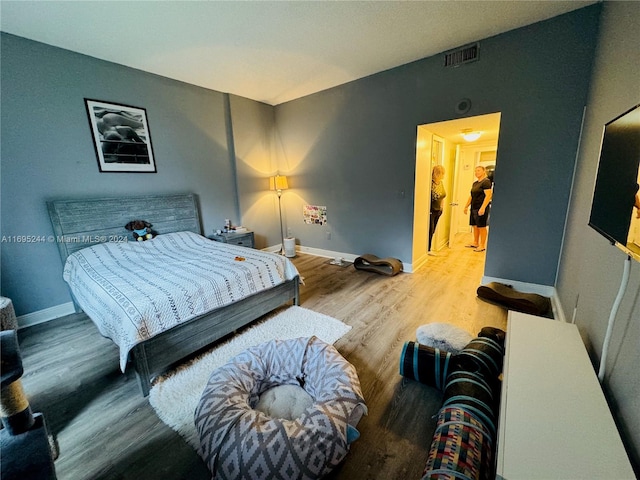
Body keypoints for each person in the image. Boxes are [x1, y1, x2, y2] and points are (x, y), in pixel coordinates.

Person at [463, 165, 493, 252]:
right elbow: (471, 196)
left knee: (481, 227)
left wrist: (483, 207)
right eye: (475, 171)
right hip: (474, 207)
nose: (476, 172)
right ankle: (475, 242)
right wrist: (466, 206)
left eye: (479, 170)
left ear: (484, 171)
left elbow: (488, 195)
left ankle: (482, 245)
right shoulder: (475, 183)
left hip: (481, 208)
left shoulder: (486, 182)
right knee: (475, 226)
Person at [429, 165, 446, 254]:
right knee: (430, 230)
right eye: (442, 173)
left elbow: (443, 196)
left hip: (438, 210)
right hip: (431, 210)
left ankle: (429, 248)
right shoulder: (430, 183)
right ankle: (427, 249)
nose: (443, 175)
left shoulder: (441, 183)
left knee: (433, 230)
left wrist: (442, 207)